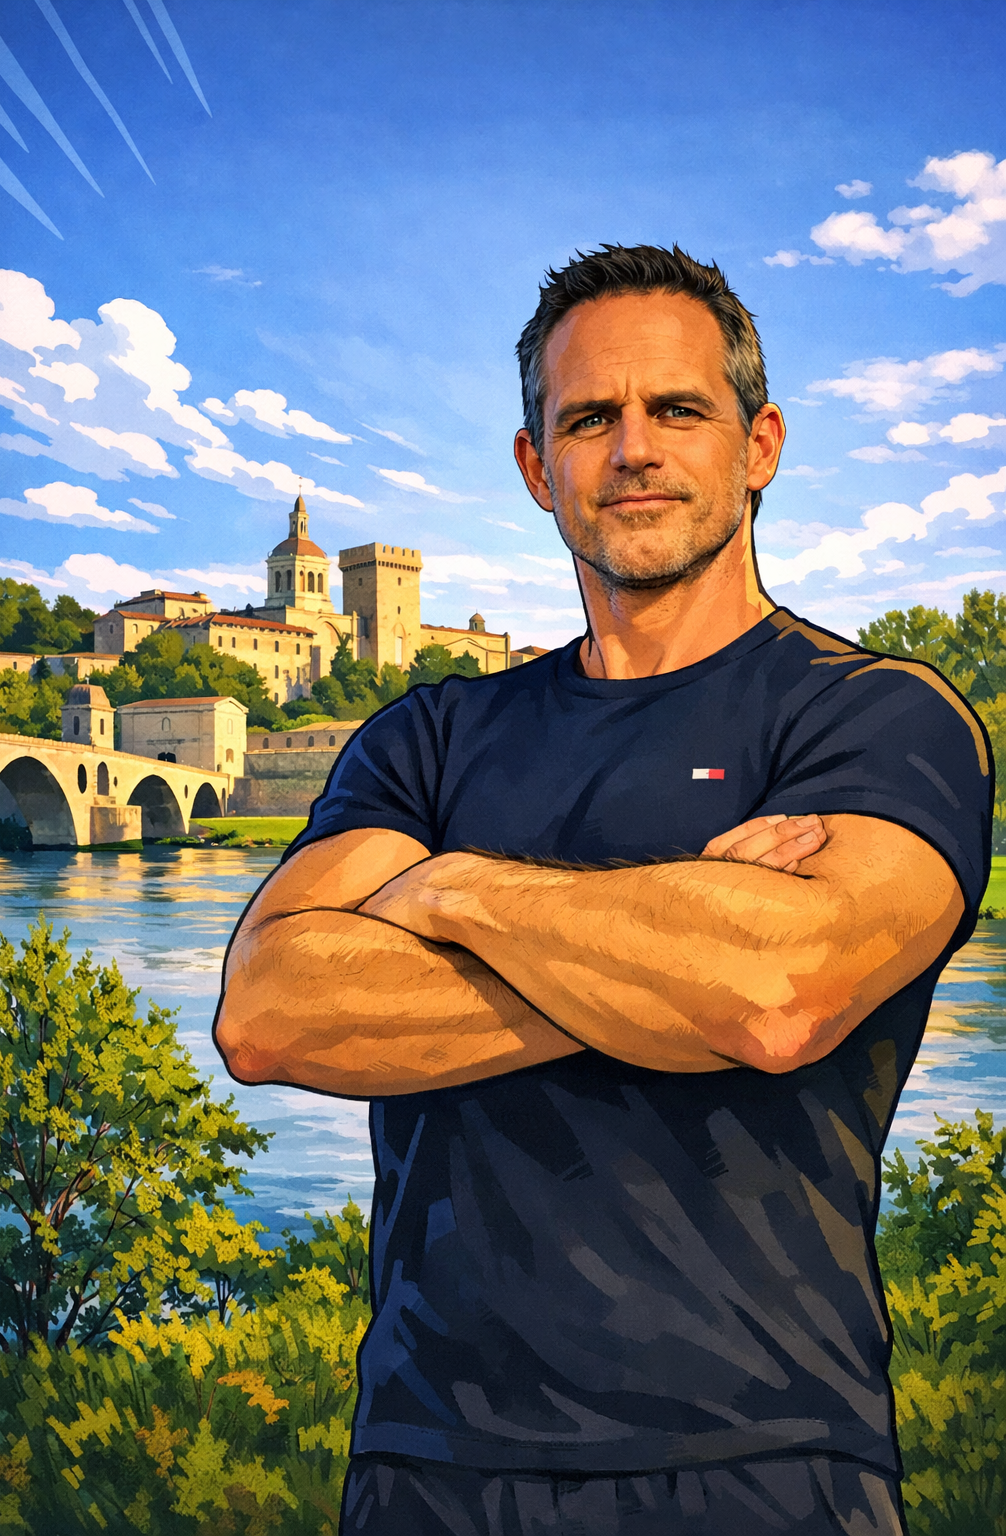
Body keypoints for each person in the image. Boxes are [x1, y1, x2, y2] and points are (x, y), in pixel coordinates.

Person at [214, 245, 991, 1535]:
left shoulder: (877, 717)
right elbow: (272, 1011)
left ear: (761, 444)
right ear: (537, 468)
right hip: (429, 1467)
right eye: (589, 418)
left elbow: (781, 995)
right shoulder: (430, 737)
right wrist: (684, 937)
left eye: (677, 409)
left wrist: (454, 889)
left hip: (774, 1458)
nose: (633, 449)